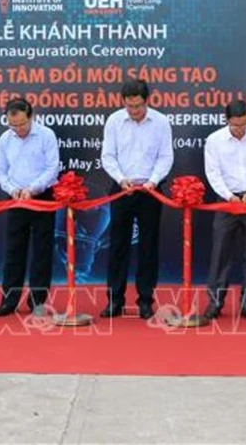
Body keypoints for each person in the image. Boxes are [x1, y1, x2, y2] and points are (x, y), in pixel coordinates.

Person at [99, 79, 174, 319]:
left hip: (150, 190)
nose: (134, 111)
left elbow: (165, 157)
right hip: (123, 188)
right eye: (129, 106)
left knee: (148, 246)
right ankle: (115, 300)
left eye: (138, 106)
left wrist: (153, 180)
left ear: (147, 101)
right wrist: (122, 179)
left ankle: (145, 300)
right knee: (118, 245)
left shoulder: (161, 122)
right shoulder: (114, 121)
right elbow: (108, 156)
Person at [202, 100, 246, 320]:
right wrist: (229, 196)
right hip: (226, 200)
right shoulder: (215, 140)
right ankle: (215, 303)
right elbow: (212, 172)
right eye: (235, 126)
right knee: (220, 253)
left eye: (243, 125)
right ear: (227, 121)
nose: (240, 130)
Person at [0, 97, 60, 317]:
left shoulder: (46, 135)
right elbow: (0, 171)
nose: (18, 129)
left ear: (31, 116)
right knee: (14, 250)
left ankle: (37, 302)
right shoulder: (5, 139)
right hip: (16, 198)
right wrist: (13, 189)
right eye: (13, 125)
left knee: (42, 250)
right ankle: (8, 300)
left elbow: (52, 168)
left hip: (42, 197)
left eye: (22, 124)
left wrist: (32, 189)